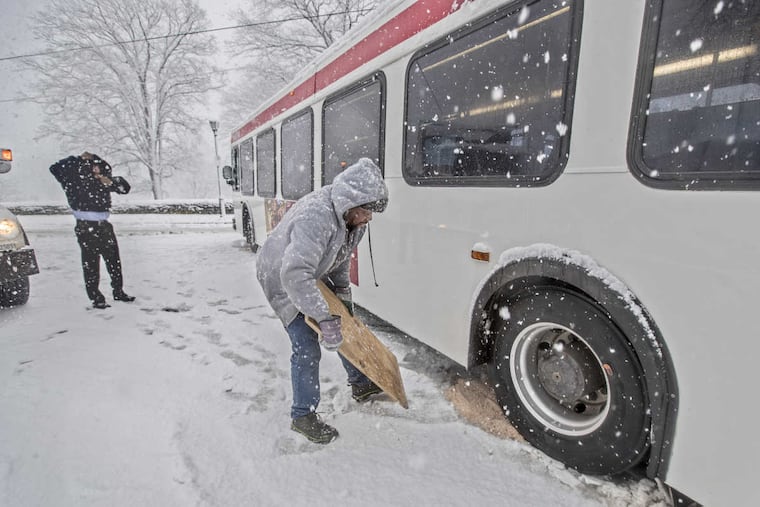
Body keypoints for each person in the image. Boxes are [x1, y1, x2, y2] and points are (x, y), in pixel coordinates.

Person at [256, 157, 389, 444]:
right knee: (306, 344)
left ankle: (360, 382)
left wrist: (342, 299)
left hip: (307, 269)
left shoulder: (354, 220)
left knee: (344, 323)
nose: (370, 218)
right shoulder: (316, 217)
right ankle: (303, 415)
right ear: (352, 202)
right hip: (280, 274)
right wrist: (323, 317)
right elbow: (294, 275)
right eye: (367, 210)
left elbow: (339, 260)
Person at [50, 152, 135, 309]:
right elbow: (55, 168)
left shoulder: (102, 181)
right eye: (93, 167)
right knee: (90, 263)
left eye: (98, 167)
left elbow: (125, 188)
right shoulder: (73, 180)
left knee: (114, 260)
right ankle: (96, 298)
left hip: (104, 225)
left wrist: (108, 180)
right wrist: (78, 159)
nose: (96, 170)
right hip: (85, 226)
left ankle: (118, 291)